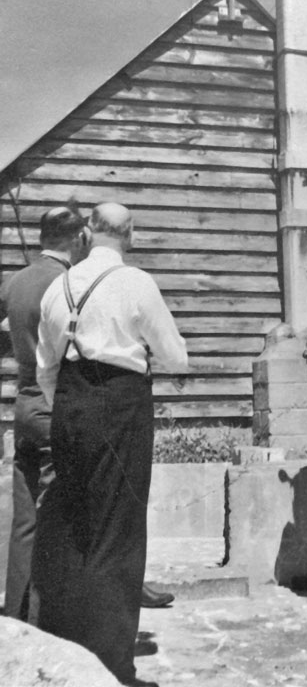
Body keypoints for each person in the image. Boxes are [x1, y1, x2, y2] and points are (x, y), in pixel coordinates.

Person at [32, 203, 188, 687]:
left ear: (88, 233)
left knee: (74, 526)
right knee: (118, 533)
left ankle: (71, 656)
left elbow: (45, 368)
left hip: (68, 405)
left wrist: (70, 405)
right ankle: (114, 668)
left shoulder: (59, 286)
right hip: (120, 406)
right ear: (129, 235)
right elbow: (176, 357)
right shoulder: (136, 283)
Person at [1, 206, 88, 621]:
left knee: (25, 521)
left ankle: (15, 615)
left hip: (24, 407)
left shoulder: (14, 282)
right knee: (59, 516)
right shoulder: (69, 284)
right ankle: (49, 620)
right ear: (78, 239)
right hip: (57, 408)